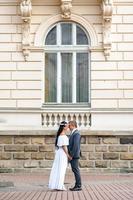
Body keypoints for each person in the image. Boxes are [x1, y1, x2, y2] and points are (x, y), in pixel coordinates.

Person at [48, 121, 71, 191]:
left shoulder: (59, 135)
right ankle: (59, 185)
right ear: (64, 127)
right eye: (67, 126)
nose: (68, 127)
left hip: (59, 153)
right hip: (62, 154)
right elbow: (64, 147)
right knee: (61, 169)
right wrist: (68, 155)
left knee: (58, 169)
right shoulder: (63, 136)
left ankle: (57, 184)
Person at [68, 120, 82, 191]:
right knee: (75, 170)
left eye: (69, 125)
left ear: (73, 125)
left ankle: (78, 185)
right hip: (73, 155)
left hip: (74, 155)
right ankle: (77, 185)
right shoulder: (73, 133)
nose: (68, 127)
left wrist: (71, 155)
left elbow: (75, 145)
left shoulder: (76, 133)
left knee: (76, 170)